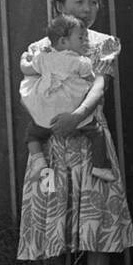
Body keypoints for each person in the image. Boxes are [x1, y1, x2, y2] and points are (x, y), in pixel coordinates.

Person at [16, 0, 133, 265]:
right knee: (50, 220)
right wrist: (47, 119)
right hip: (51, 146)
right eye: (78, 2)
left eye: (93, 2)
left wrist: (77, 117)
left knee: (97, 222)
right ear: (60, 5)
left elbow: (99, 85)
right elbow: (28, 87)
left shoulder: (103, 43)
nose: (87, 8)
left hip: (89, 141)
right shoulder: (41, 47)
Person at [21, 13, 115, 181]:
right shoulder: (82, 61)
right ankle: (100, 167)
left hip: (49, 117)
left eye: (93, 2)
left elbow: (27, 69)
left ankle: (38, 160)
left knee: (33, 133)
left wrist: (24, 60)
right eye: (81, 38)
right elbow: (94, 81)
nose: (87, 8)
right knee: (96, 132)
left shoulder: (43, 55)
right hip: (77, 113)